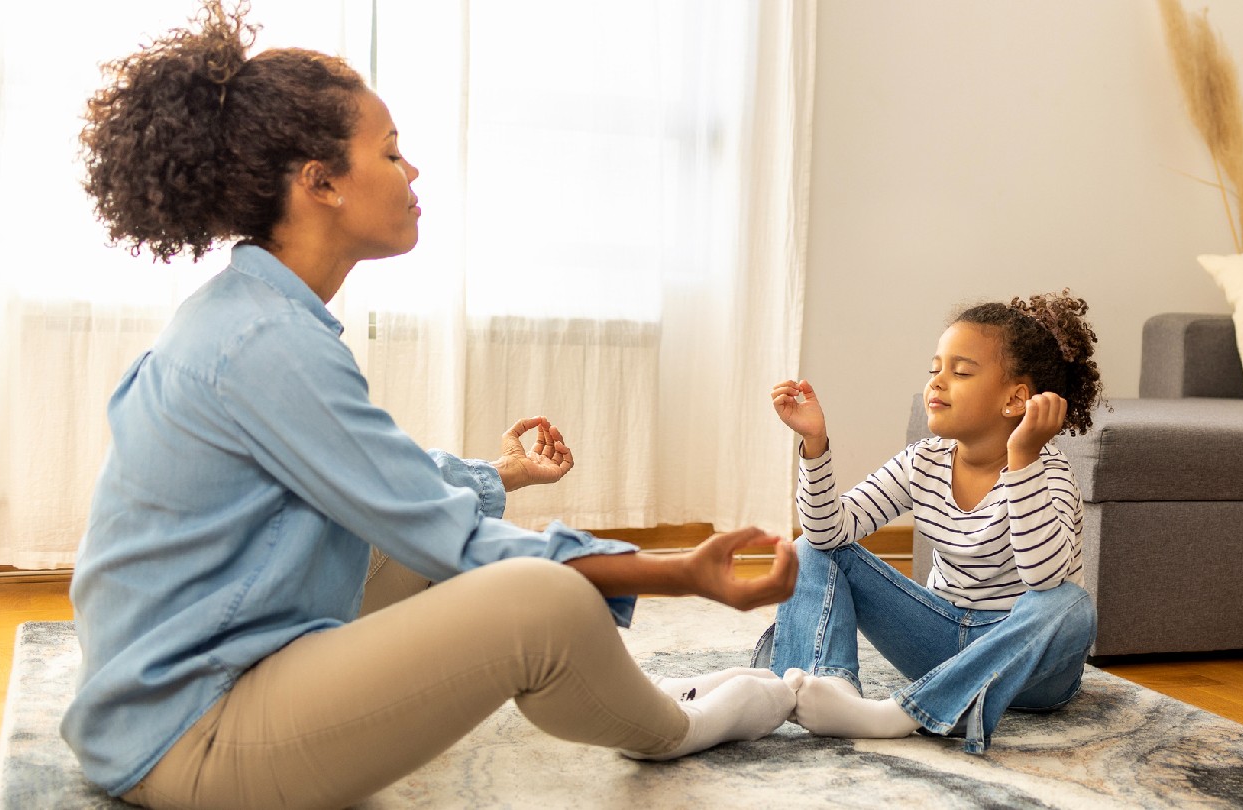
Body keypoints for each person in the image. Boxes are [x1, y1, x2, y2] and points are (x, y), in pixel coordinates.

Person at [62, 3, 798, 807]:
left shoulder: (247, 315)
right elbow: (439, 528)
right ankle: (681, 728)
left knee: (410, 546)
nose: (412, 175)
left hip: (186, 687)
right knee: (538, 601)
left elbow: (384, 484)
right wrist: (680, 574)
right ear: (321, 182)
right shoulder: (266, 343)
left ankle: (641, 690)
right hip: (187, 737)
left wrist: (503, 473)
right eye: (392, 152)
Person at [758, 291, 1104, 754]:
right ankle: (824, 689)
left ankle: (903, 714)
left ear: (1014, 399)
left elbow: (1044, 580)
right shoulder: (924, 460)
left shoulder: (1050, 475)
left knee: (1070, 604)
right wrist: (815, 443)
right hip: (938, 642)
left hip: (1027, 671)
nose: (937, 382)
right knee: (808, 550)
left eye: (960, 372)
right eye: (934, 370)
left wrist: (1021, 460)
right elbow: (828, 532)